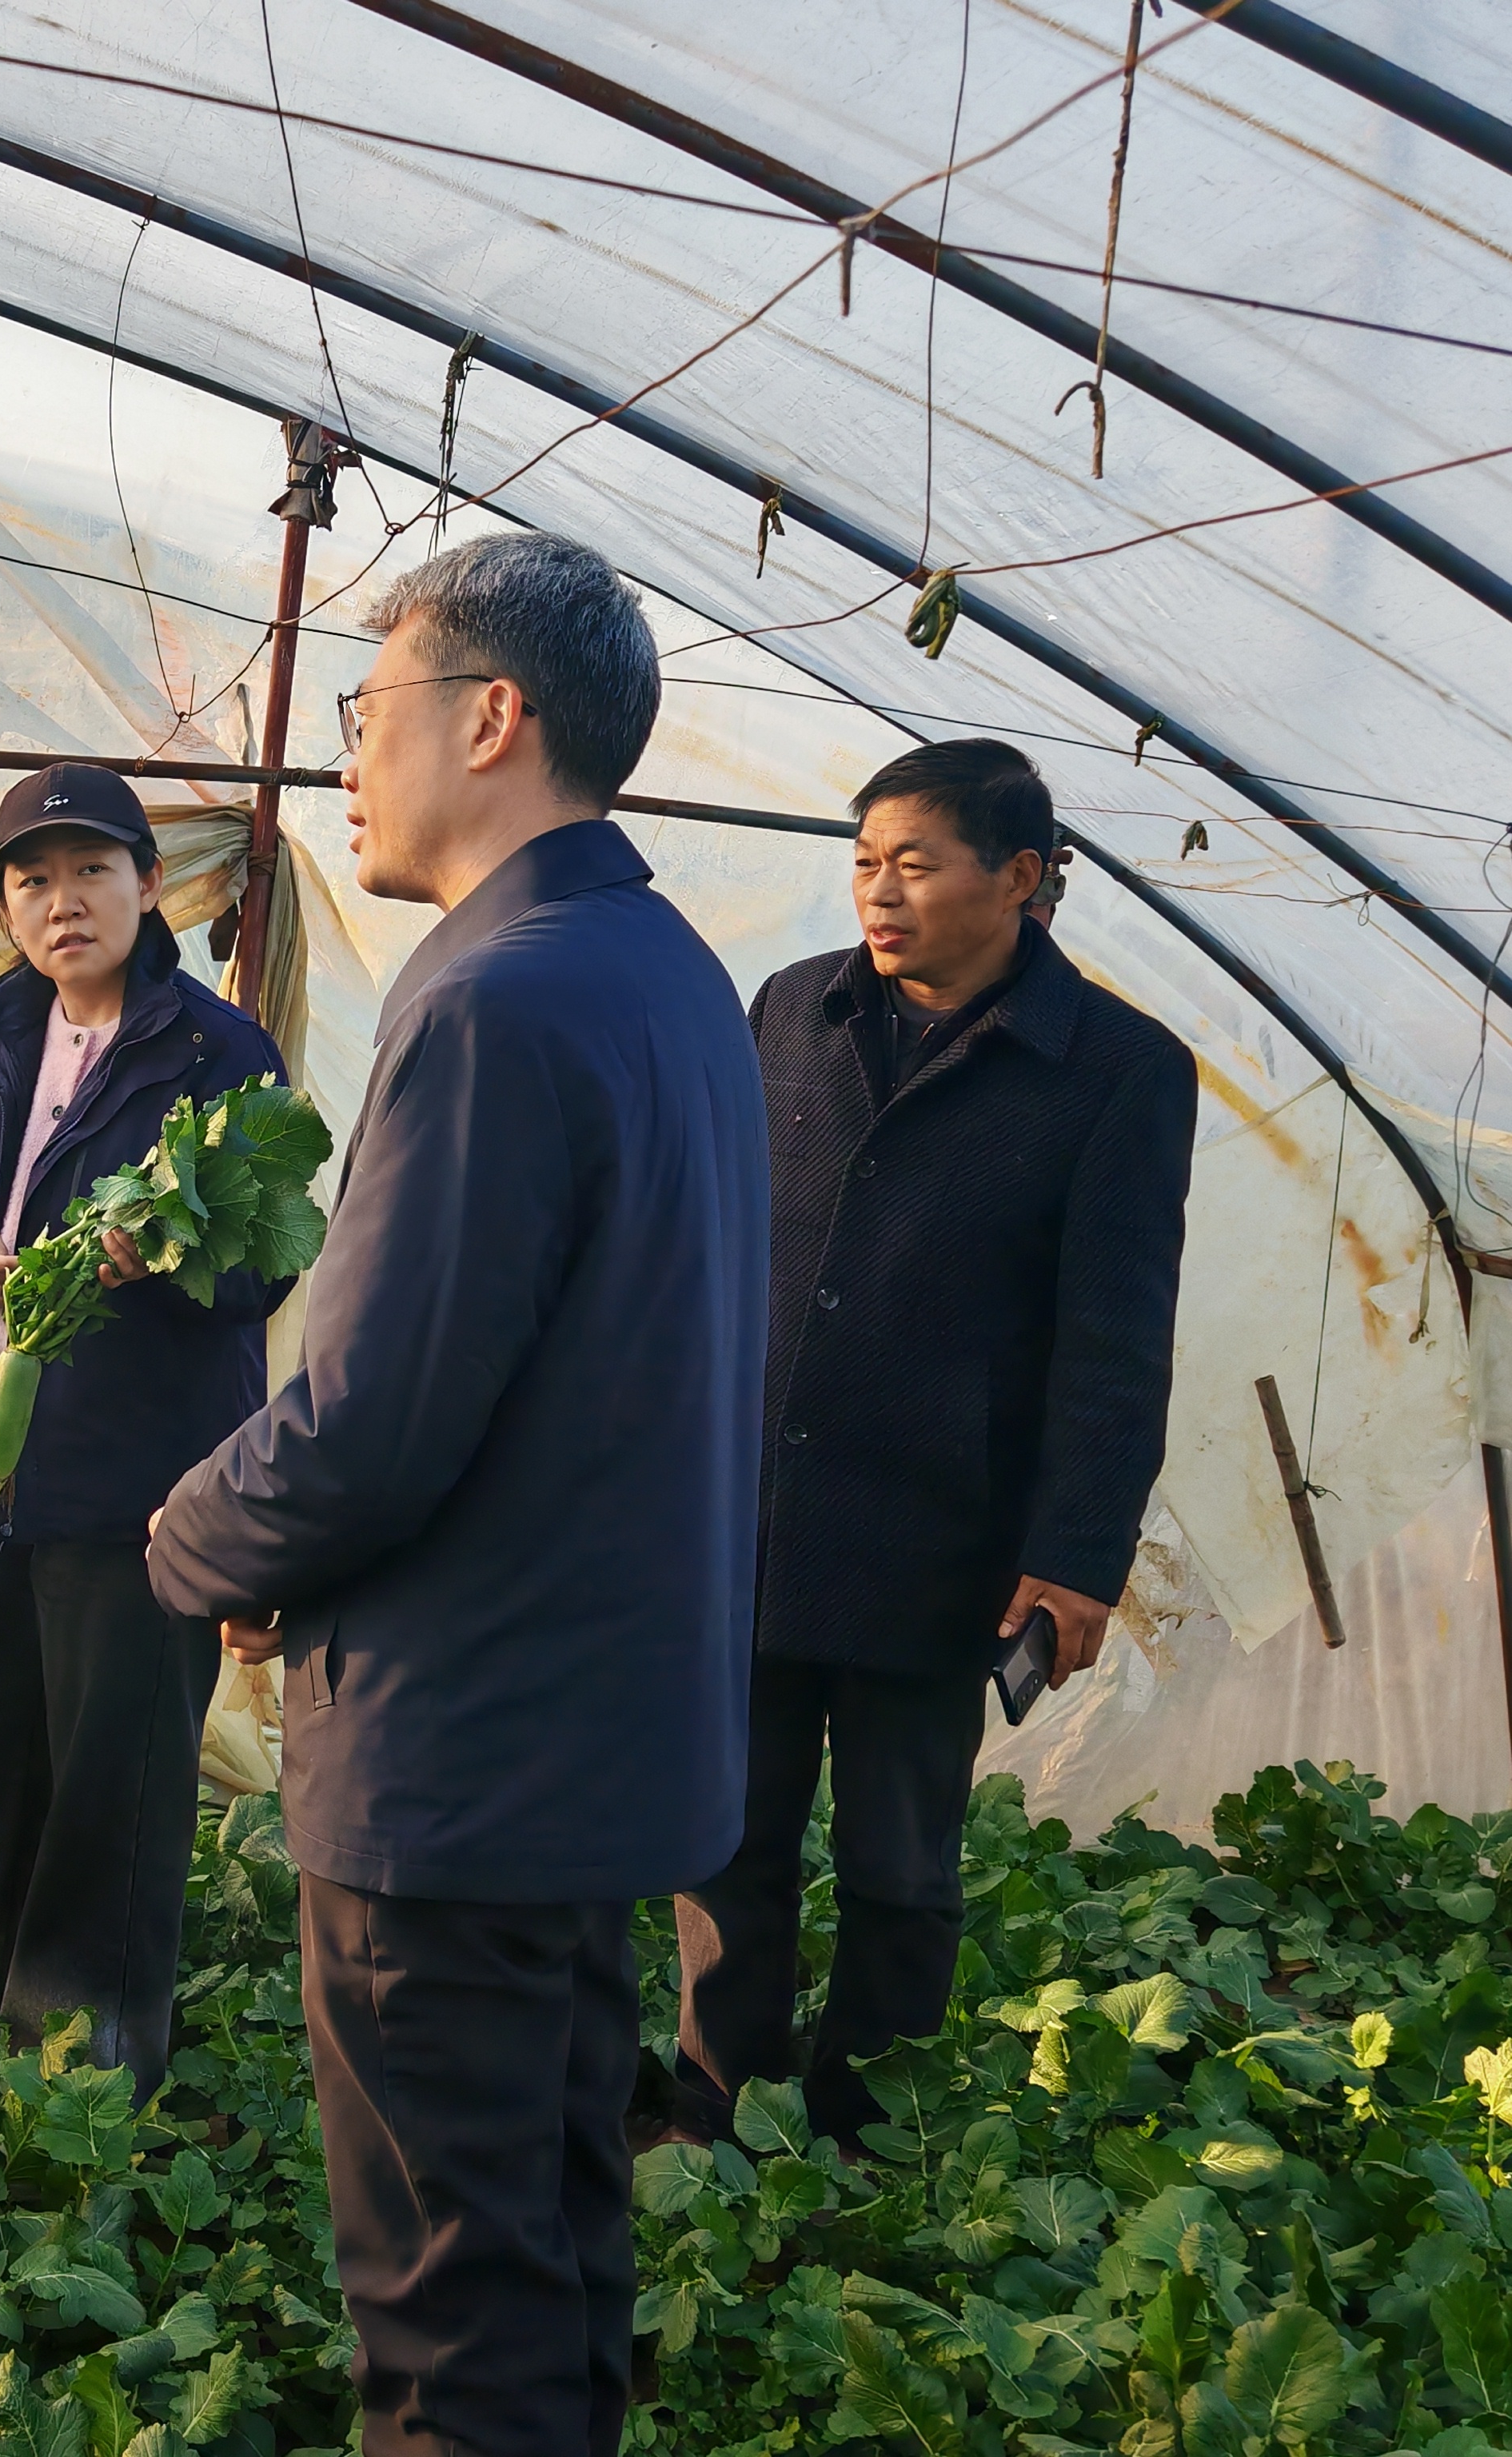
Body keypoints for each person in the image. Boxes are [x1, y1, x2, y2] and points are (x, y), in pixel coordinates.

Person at [146, 533, 766, 2457]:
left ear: (488, 718)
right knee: (551, 2228)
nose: (342, 751)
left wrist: (194, 1540)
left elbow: (373, 1413)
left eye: (368, 706)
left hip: (462, 1765)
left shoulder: (497, 990)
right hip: (589, 1740)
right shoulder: (660, 966)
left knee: (450, 2304)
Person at [672, 738, 1194, 2148]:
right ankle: (722, 2100)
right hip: (758, 1517)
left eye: (914, 863)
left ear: (1021, 879)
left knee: (903, 1863)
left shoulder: (1116, 1070)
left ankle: (861, 2125)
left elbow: (1113, 1339)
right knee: (726, 1842)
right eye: (862, 863)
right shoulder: (793, 1010)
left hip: (938, 1535)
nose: (878, 895)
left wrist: (1074, 1559)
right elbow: (705, 1248)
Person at [0, 763, 289, 2086]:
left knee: (113, 1767)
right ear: (3, 907)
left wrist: (157, 1256)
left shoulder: (217, 1051)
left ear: (147, 885)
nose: (62, 902)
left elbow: (267, 1263)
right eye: (32, 880)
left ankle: (88, 2038)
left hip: (141, 1467)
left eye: (90, 872)